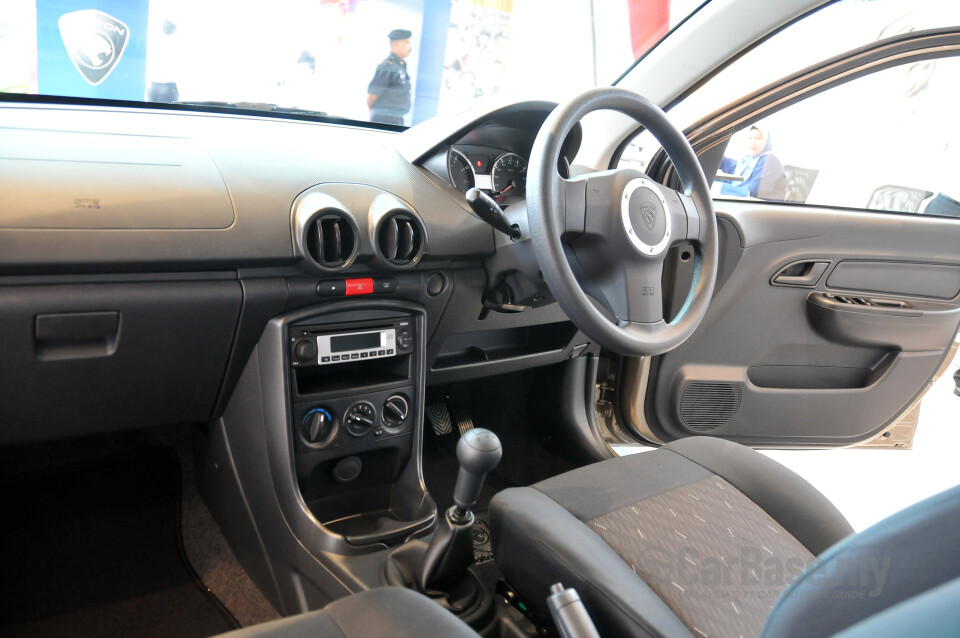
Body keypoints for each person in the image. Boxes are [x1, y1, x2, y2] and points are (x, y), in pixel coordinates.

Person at [719, 125, 786, 200]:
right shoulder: (749, 160)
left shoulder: (770, 159)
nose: (753, 142)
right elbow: (734, 169)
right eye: (750, 138)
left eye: (758, 138)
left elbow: (752, 191)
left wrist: (721, 188)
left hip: (765, 208)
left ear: (766, 140)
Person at [366, 29, 413, 125]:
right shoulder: (387, 66)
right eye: (407, 43)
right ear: (396, 44)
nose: (410, 47)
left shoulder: (399, 66)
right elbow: (372, 96)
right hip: (384, 119)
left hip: (395, 119)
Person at [146, 20, 180, 103]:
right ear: (173, 30)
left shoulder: (153, 41)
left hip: (154, 86)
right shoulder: (176, 44)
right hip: (168, 87)